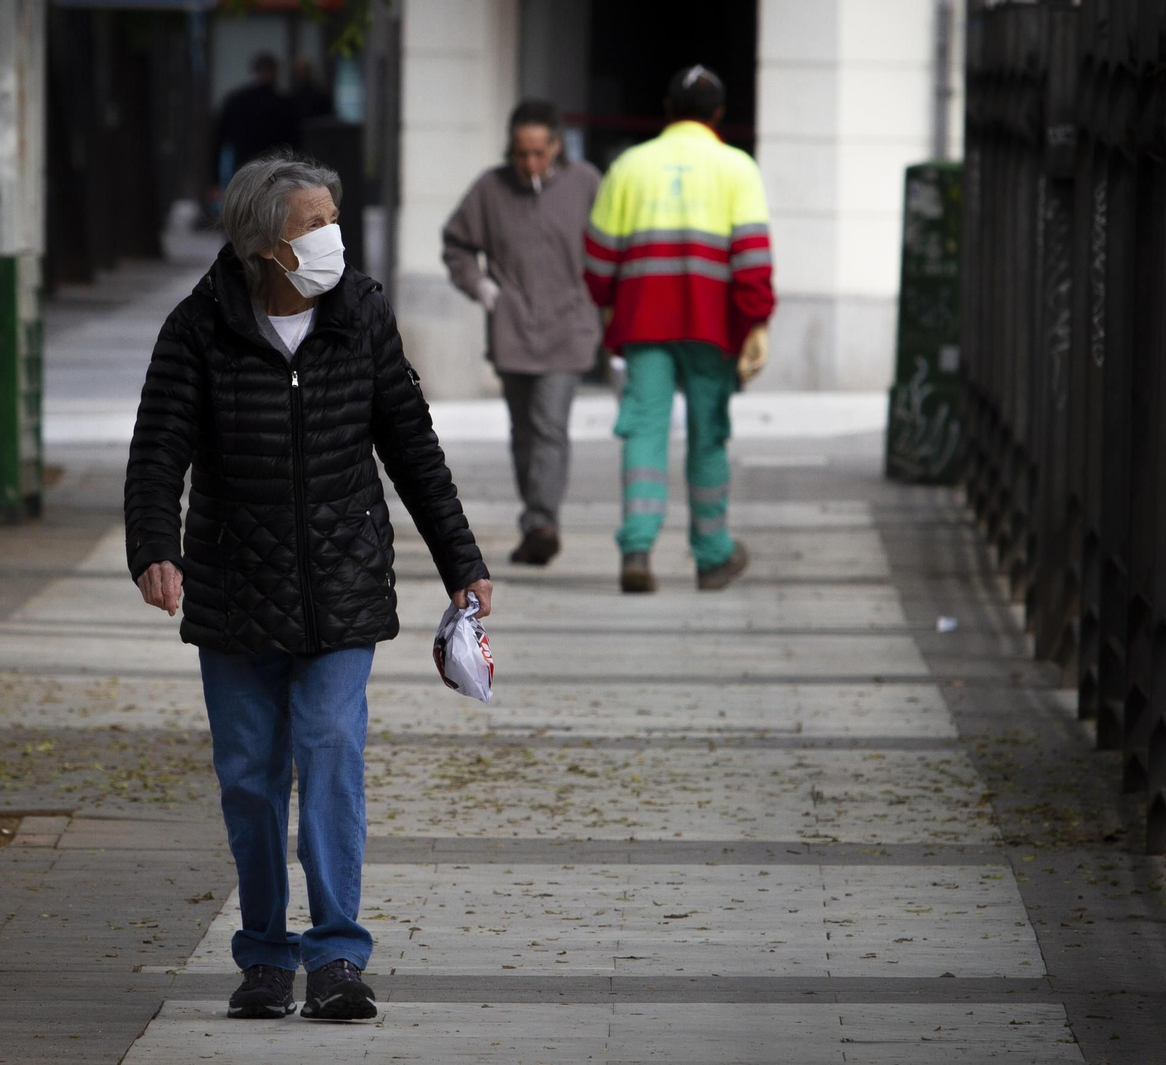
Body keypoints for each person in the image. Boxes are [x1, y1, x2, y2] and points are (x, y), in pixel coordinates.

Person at [124, 150, 492, 1022]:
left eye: (334, 218)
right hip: (233, 585)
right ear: (262, 244)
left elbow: (411, 444)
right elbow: (157, 449)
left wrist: (462, 562)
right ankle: (262, 955)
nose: (331, 237)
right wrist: (154, 547)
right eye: (312, 225)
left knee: (330, 754)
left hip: (342, 583)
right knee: (250, 778)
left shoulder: (359, 313)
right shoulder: (199, 326)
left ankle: (335, 956)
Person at [583, 65, 775, 593]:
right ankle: (713, 557)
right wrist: (755, 321)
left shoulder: (630, 166)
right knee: (708, 435)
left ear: (667, 110)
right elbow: (753, 259)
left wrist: (608, 304)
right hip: (713, 328)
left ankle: (638, 551)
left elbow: (599, 255)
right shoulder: (738, 168)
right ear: (717, 115)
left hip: (644, 321)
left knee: (644, 428)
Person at [442, 100, 602, 565]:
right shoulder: (490, 190)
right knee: (523, 432)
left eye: (538, 152)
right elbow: (456, 244)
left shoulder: (585, 184)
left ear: (557, 146)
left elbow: (614, 241)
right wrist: (482, 288)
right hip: (513, 328)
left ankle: (541, 522)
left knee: (549, 425)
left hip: (569, 326)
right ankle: (537, 517)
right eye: (521, 153)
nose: (530, 163)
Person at [210, 54, 299, 197]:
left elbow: (219, 140)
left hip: (243, 169)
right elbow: (294, 144)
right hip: (275, 171)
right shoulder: (282, 104)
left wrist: (214, 179)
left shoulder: (236, 101)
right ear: (274, 73)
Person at [290, 56, 335, 123]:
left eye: (303, 70)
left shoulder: (319, 96)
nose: (300, 74)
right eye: (298, 71)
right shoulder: (294, 97)